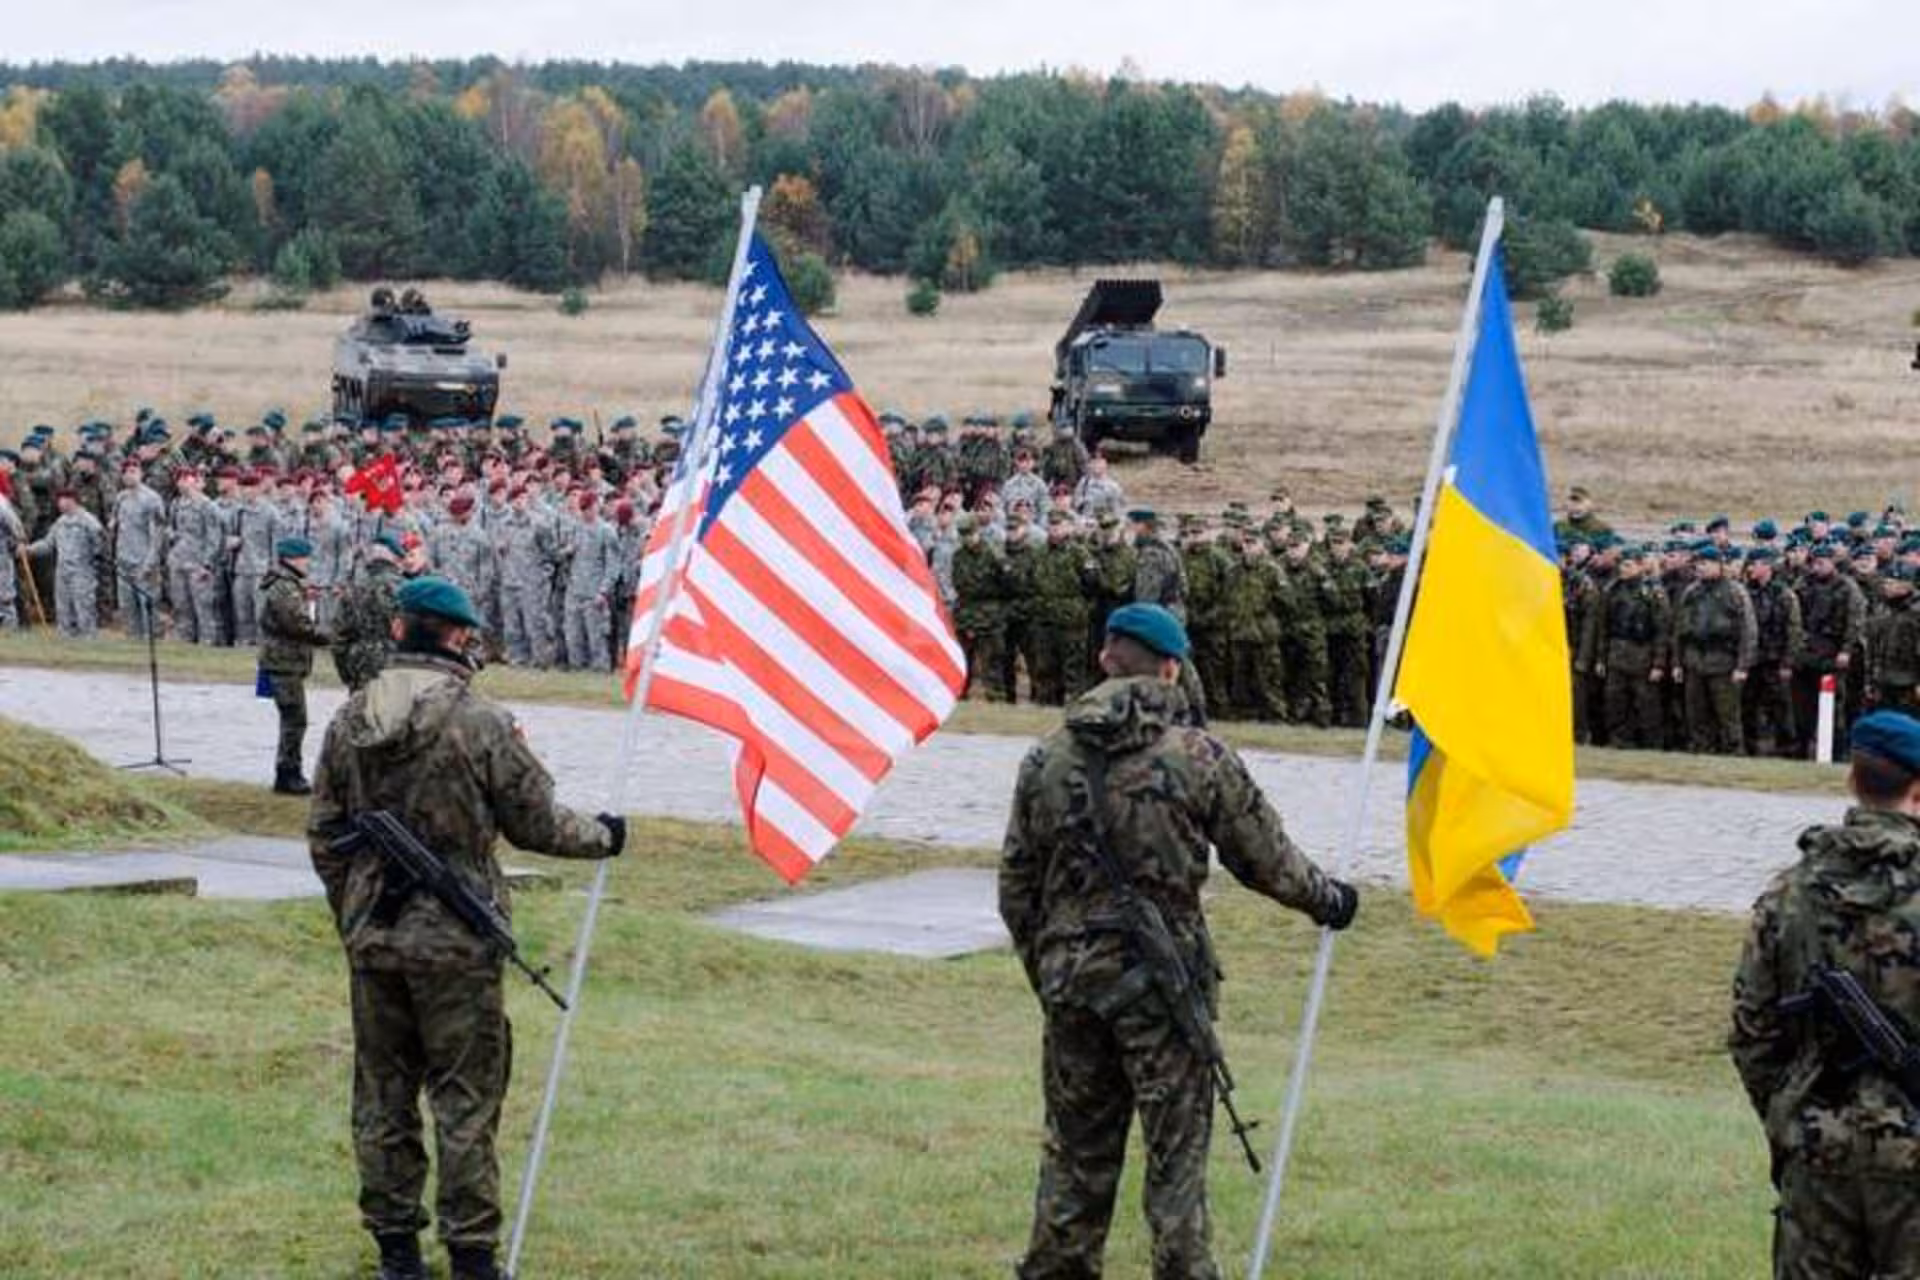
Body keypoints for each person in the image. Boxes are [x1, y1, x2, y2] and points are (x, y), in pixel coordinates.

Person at [999, 603, 1358, 1280]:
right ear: (1170, 670)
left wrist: (1050, 971)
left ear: (1106, 661)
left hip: (1073, 983)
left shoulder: (1045, 757)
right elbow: (1267, 860)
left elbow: (1017, 887)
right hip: (1162, 987)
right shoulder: (1199, 757)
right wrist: (1330, 900)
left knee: (1075, 1154)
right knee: (1177, 1162)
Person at [308, 576, 624, 1280]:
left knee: (383, 1094)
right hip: (457, 943)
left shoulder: (350, 718)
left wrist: (354, 911)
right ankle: (472, 1256)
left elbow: (325, 833)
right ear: (458, 638)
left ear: (398, 630)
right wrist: (605, 836)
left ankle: (396, 1252)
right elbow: (537, 823)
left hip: (374, 939)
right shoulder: (479, 723)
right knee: (466, 1097)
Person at [1730, 711, 1920, 1277]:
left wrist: (1795, 1116)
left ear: (1851, 780)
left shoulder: (1789, 893)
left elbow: (1752, 1034)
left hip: (1817, 1152)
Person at [259, 536, 329, 794]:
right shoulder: (284, 588)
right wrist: (329, 637)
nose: (307, 563)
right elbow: (297, 625)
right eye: (304, 558)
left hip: (284, 660)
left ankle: (289, 772)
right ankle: (288, 774)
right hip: (284, 661)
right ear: (292, 559)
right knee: (294, 720)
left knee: (293, 719)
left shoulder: (287, 585)